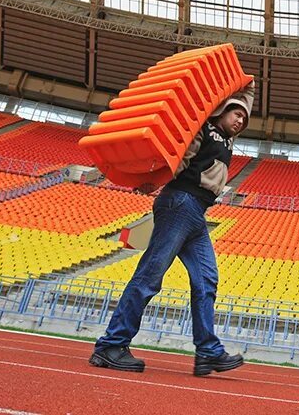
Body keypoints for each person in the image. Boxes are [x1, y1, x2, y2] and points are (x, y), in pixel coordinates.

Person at [90, 81, 255, 377]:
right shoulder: (203, 128)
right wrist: (152, 181)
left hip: (197, 213)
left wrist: (250, 84)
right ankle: (111, 345)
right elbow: (178, 161)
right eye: (236, 114)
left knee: (206, 282)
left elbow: (247, 100)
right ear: (221, 112)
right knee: (150, 275)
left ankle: (207, 352)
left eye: (245, 118)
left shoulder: (229, 138)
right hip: (180, 202)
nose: (241, 120)